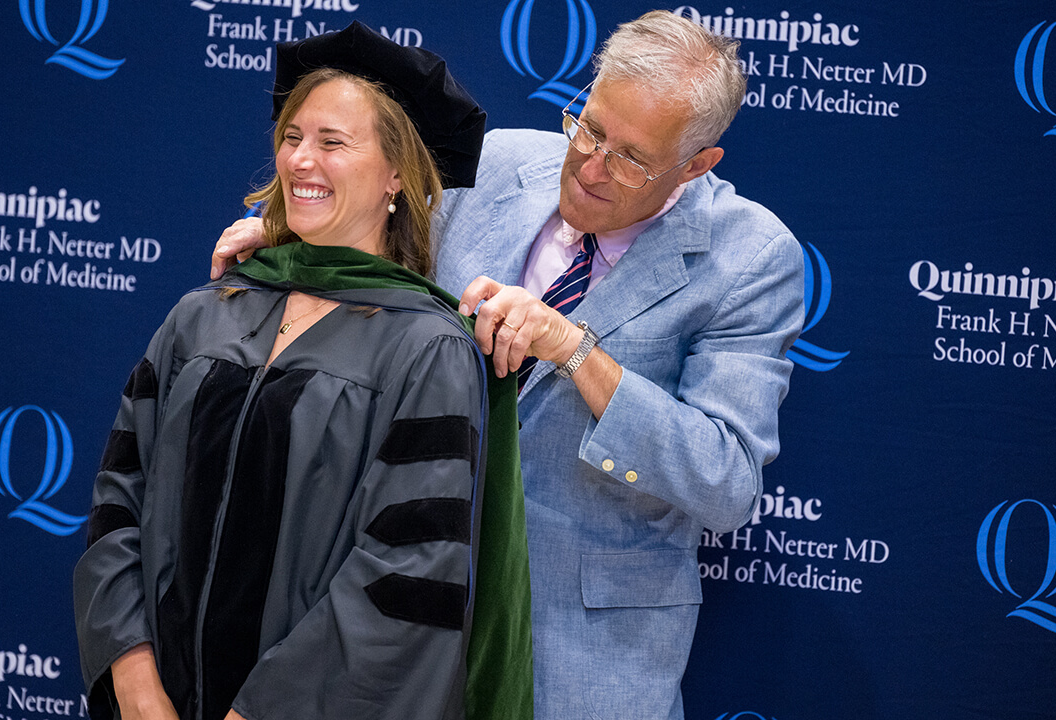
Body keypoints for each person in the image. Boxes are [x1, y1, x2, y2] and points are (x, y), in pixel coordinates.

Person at [213, 11, 805, 720]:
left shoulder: (752, 261)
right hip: (402, 620)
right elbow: (384, 270)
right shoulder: (493, 167)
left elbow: (726, 482)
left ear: (697, 163)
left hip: (582, 656)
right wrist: (295, 249)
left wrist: (577, 352)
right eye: (588, 127)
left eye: (629, 158)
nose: (590, 165)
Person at [74, 23, 532, 720]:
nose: (301, 161)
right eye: (293, 138)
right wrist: (134, 681)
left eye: (333, 142)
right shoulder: (203, 317)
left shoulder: (425, 347)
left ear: (397, 176)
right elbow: (117, 505)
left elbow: (407, 573)